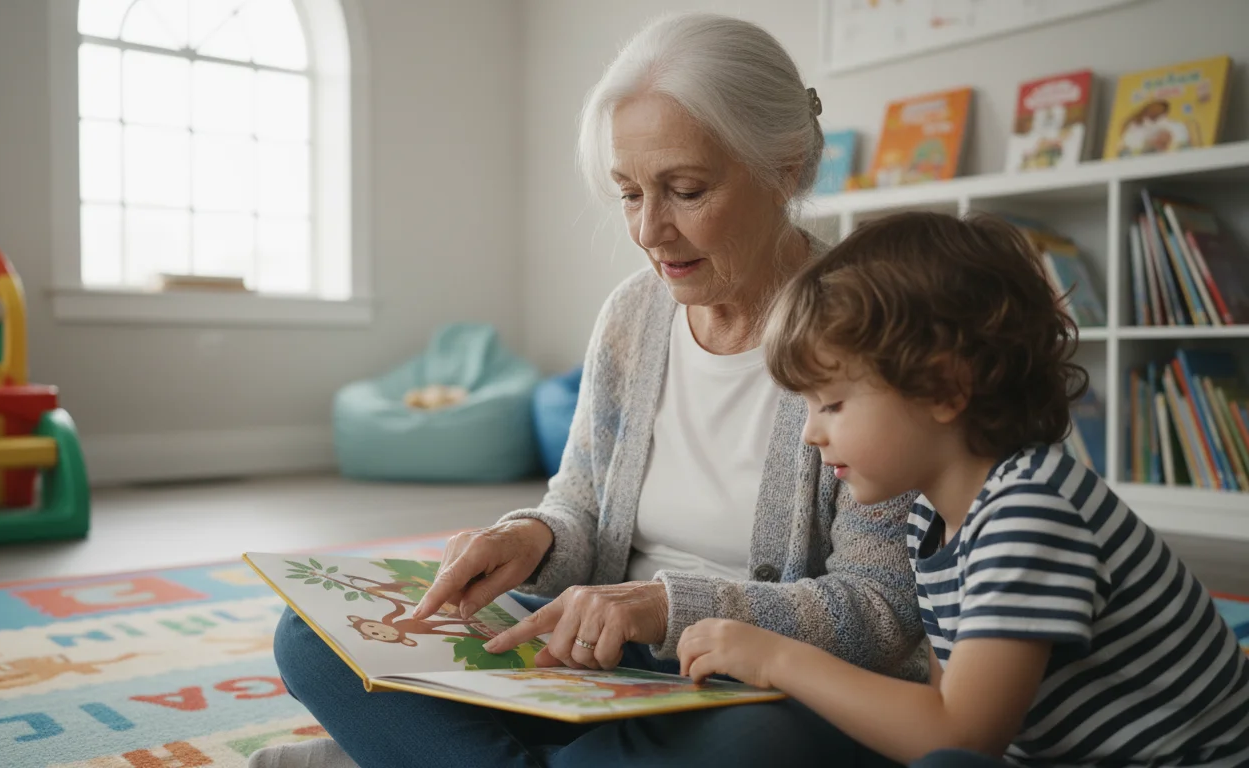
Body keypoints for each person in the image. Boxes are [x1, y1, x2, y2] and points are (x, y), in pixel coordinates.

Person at [254, 12, 924, 768]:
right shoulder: (633, 316)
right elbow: (577, 504)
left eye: (685, 190)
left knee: (763, 745)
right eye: (630, 193)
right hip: (597, 664)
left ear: (788, 168)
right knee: (314, 633)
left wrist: (670, 607)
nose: (649, 231)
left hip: (751, 684)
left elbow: (881, 609)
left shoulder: (870, 328)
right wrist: (527, 540)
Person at [677, 211, 1249, 767]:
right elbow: (937, 715)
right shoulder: (932, 521)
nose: (810, 433)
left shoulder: (1030, 511)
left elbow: (959, 738)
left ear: (946, 389)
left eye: (832, 403)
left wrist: (776, 656)